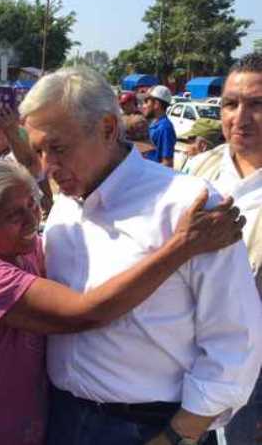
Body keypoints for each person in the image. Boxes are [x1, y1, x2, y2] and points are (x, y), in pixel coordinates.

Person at [0, 160, 246, 445]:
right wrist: (181, 247)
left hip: (14, 423)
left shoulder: (19, 246)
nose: (32, 219)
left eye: (31, 205)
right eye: (14, 215)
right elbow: (87, 312)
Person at [21, 66, 262, 445]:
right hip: (60, 416)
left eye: (59, 148)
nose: (47, 166)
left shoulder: (189, 205)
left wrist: (178, 435)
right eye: (39, 151)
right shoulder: (65, 206)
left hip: (147, 428)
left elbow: (235, 342)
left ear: (106, 128)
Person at [184, 52, 262, 445]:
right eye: (231, 104)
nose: (240, 117)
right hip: (189, 353)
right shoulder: (199, 170)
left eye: (257, 105)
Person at [143, 85, 178, 166]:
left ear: (156, 104)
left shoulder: (165, 128)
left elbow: (167, 163)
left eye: (146, 101)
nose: (143, 106)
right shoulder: (153, 123)